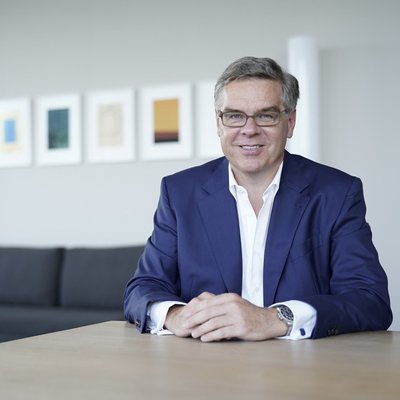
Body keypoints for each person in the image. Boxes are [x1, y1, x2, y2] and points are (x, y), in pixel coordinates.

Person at [123, 56, 392, 342]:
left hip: (302, 363)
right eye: (234, 115)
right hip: (204, 359)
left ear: (290, 122)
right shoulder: (179, 193)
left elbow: (370, 300)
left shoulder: (337, 193)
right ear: (219, 123)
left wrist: (276, 318)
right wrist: (176, 315)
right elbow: (142, 289)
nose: (249, 129)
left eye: (266, 116)